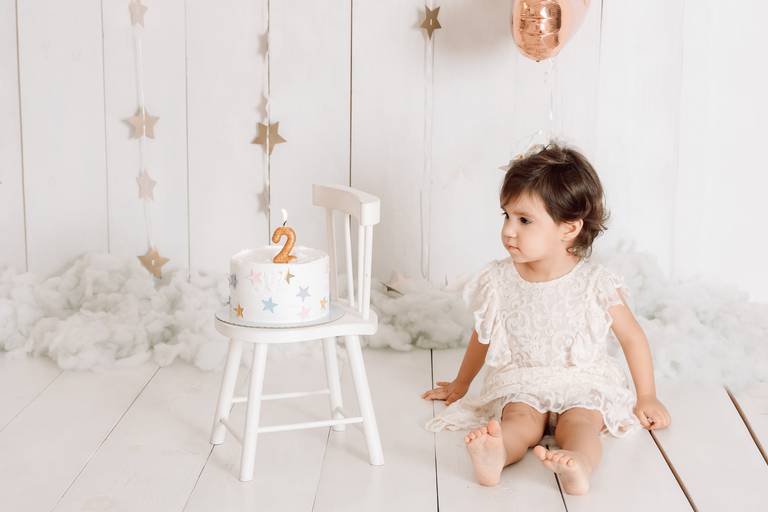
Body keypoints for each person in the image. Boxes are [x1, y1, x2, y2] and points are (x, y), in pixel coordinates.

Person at [421, 143, 670, 495]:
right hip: (525, 379)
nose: (509, 230)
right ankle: (497, 453)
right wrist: (461, 383)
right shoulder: (499, 279)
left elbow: (632, 338)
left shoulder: (594, 282)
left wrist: (647, 396)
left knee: (581, 423)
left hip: (581, 380)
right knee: (518, 419)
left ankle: (579, 464)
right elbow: (484, 335)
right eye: (506, 216)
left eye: (524, 220)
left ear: (568, 228)